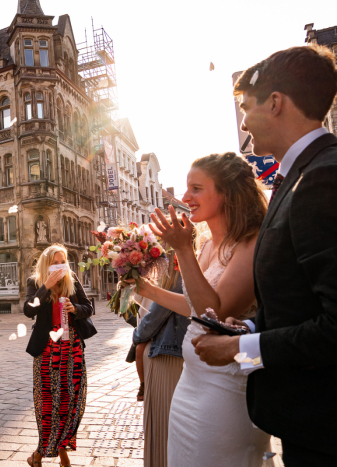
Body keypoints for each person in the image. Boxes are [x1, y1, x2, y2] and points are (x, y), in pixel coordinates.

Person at [193, 45, 337, 465]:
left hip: (323, 426)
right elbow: (300, 304)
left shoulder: (322, 178)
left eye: (246, 107)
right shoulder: (300, 176)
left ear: (276, 103)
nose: (244, 122)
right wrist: (251, 328)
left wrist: (241, 350)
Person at [134, 151, 269, 466]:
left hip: (224, 385)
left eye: (196, 188)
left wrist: (182, 248)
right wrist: (148, 290)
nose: (185, 197)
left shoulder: (250, 242)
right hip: (189, 383)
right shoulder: (208, 245)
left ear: (226, 194)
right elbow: (194, 306)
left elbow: (216, 313)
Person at [24, 244, 93, 467]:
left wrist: (75, 309)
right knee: (47, 401)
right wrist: (46, 286)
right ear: (46, 263)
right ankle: (54, 455)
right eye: (55, 261)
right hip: (47, 349)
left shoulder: (71, 280)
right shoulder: (35, 282)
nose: (60, 265)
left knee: (71, 399)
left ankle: (48, 453)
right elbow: (28, 310)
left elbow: (88, 307)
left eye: (63, 261)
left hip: (71, 346)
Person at [132, 262, 188, 467]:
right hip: (178, 349)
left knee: (163, 429)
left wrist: (137, 336)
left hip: (168, 354)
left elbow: (154, 315)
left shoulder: (176, 269)